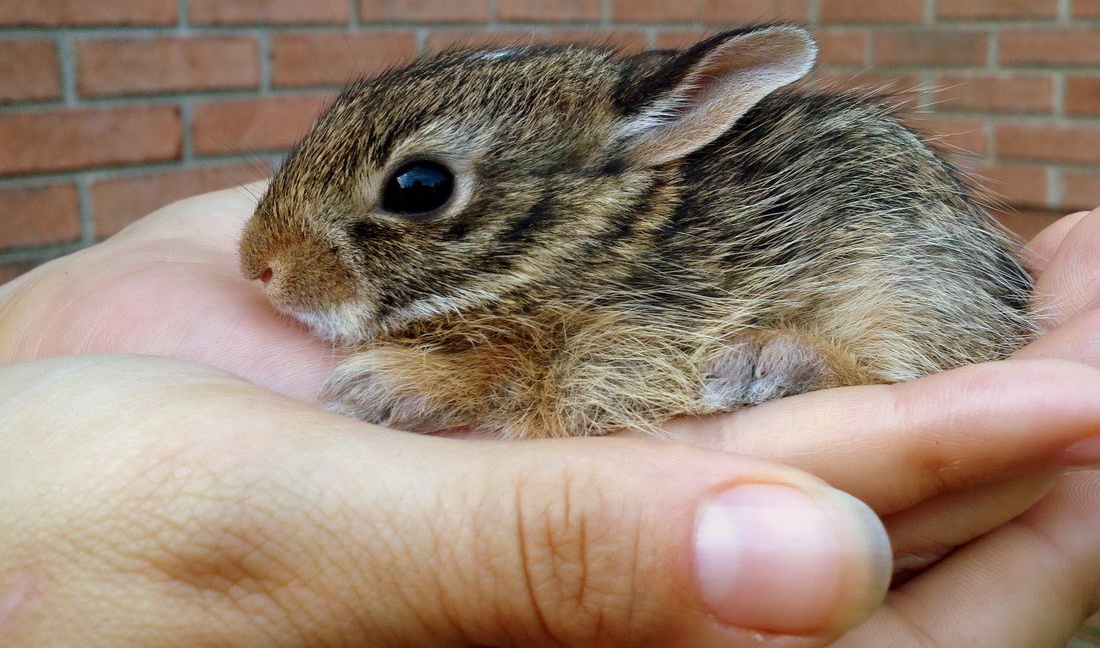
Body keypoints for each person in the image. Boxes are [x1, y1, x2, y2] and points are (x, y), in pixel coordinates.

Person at [0, 187, 1097, 647]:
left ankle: (833, 362)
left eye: (417, 192)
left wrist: (475, 382)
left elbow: (602, 374)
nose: (263, 265)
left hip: (852, 274)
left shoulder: (615, 271)